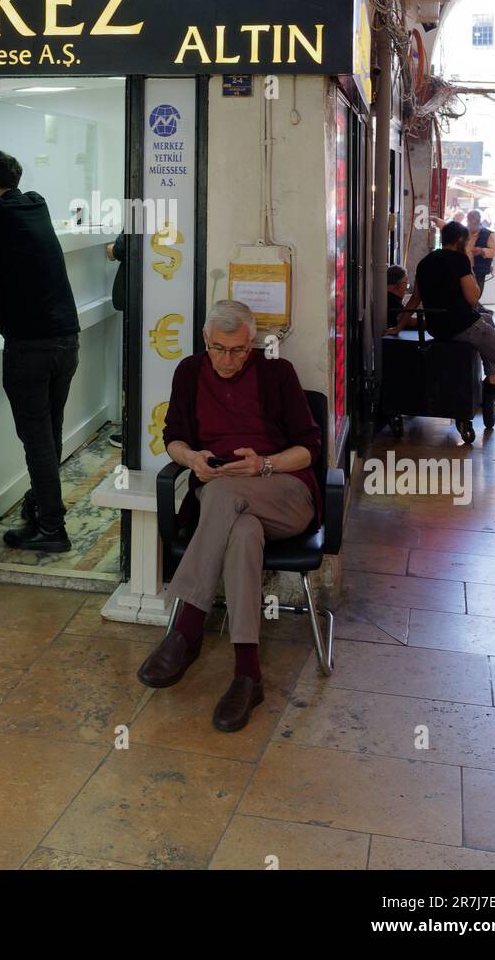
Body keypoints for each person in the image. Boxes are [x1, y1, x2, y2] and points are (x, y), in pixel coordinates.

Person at [136, 300, 322, 733]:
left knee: (219, 495)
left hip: (286, 495)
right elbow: (173, 439)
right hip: (229, 504)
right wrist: (192, 458)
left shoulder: (278, 374)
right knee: (240, 532)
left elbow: (309, 449)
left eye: (238, 351)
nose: (227, 359)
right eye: (219, 349)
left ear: (252, 344)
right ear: (206, 341)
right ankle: (247, 673)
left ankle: (187, 628)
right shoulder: (188, 372)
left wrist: (265, 465)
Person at [0, 150, 80, 552]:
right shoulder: (35, 205)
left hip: (30, 346)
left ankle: (51, 527)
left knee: (37, 439)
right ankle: (40, 503)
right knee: (50, 432)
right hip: (66, 340)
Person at [398, 221, 495, 446]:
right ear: (459, 241)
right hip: (463, 327)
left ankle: (491, 377)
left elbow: (415, 299)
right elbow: (473, 298)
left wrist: (398, 327)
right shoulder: (459, 260)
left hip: (439, 328)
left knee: (487, 320)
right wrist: (467, 262)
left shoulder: (425, 262)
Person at [105, 232, 126, 447]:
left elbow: (122, 247)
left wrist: (111, 249)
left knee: (133, 369)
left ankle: (131, 432)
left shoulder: (140, 208)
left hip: (135, 303)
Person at [466, 209, 495, 302]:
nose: (472, 222)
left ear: (479, 220)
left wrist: (482, 251)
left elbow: (494, 251)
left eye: (474, 219)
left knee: (476, 296)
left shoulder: (487, 234)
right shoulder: (462, 232)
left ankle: (473, 313)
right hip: (464, 269)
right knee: (465, 296)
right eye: (470, 219)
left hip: (479, 270)